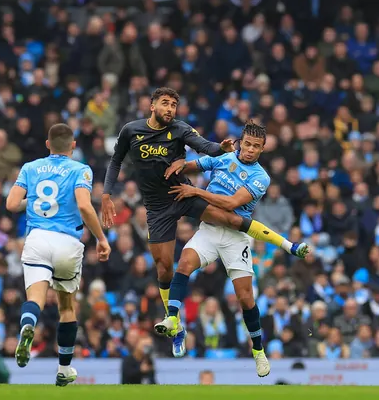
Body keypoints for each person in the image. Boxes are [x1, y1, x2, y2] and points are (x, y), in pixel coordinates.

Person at [102, 88, 309, 357]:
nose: (170, 108)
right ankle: (175, 324)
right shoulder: (131, 130)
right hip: (158, 207)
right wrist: (107, 194)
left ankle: (289, 247)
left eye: (174, 104)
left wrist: (217, 150)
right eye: (165, 103)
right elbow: (117, 161)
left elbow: (205, 148)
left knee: (233, 226)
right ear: (152, 105)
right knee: (164, 269)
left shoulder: (182, 130)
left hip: (186, 195)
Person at [154, 122, 310, 377]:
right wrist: (178, 163)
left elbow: (231, 203)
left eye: (256, 146)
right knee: (183, 264)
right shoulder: (224, 158)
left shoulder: (261, 177)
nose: (250, 150)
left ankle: (258, 350)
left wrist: (195, 191)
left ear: (263, 149)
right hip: (209, 230)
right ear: (240, 142)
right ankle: (173, 318)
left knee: (245, 298)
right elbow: (195, 165)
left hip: (236, 238)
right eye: (247, 144)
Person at [6, 123, 111, 386]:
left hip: (37, 239)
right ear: (73, 145)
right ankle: (64, 369)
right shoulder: (80, 169)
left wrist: (33, 201)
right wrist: (101, 238)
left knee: (35, 298)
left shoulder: (30, 168)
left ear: (47, 144)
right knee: (66, 307)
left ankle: (28, 325)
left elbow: (11, 204)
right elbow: (84, 206)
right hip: (67, 243)